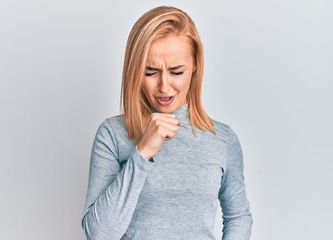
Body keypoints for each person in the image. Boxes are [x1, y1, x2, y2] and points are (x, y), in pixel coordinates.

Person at [82, 6, 253, 240]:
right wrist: (142, 153)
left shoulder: (222, 139)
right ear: (134, 71)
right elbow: (98, 235)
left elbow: (238, 216)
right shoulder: (112, 135)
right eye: (150, 72)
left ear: (195, 67)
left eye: (176, 71)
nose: (164, 86)